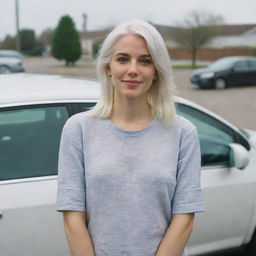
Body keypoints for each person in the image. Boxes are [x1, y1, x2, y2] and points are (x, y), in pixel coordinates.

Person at [56, 19, 204, 256]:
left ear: (156, 71)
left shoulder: (183, 133)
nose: (133, 69)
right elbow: (72, 218)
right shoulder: (78, 130)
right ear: (108, 67)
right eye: (123, 59)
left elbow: (184, 218)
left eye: (145, 61)